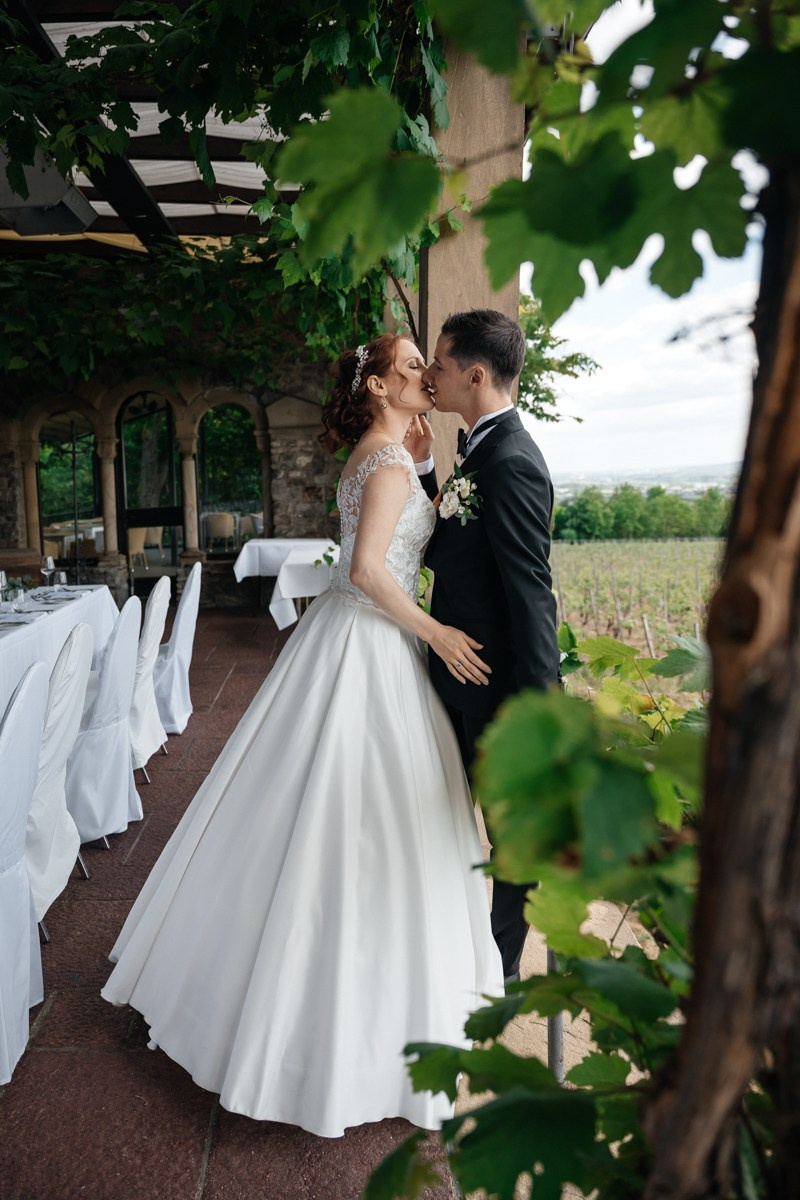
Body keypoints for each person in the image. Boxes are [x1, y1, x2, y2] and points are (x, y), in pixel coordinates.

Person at [101, 333, 503, 1138]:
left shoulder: (383, 454)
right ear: (384, 387)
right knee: (362, 831)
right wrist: (438, 633)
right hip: (374, 650)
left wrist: (426, 470)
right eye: (414, 367)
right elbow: (366, 571)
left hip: (347, 645)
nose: (428, 375)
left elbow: (386, 542)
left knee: (317, 818)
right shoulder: (385, 463)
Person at [414, 309, 561, 986]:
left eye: (439, 364)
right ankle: (461, 958)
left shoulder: (512, 462)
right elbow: (449, 541)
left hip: (498, 696)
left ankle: (496, 979)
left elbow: (532, 594)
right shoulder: (476, 448)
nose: (430, 374)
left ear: (475, 374)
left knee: (512, 845)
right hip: (459, 683)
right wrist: (421, 469)